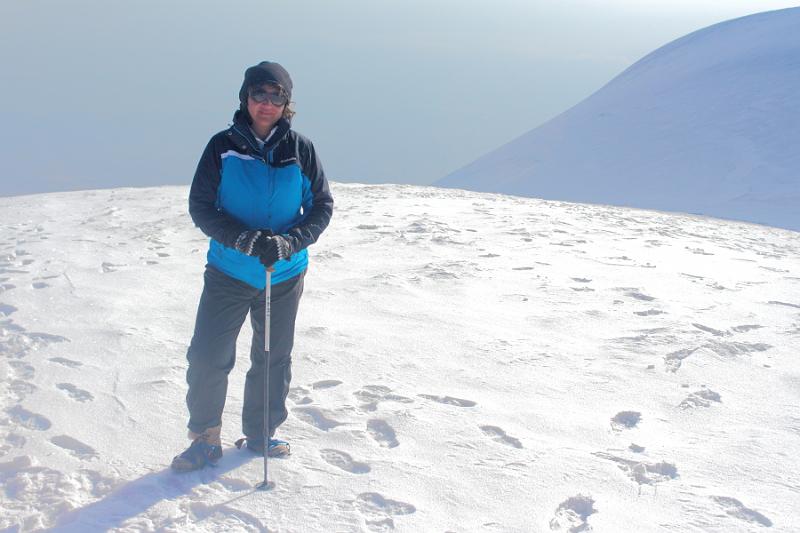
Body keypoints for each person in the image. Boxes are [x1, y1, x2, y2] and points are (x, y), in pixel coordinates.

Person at [171, 61, 334, 471]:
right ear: (245, 97)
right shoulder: (221, 146)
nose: (266, 103)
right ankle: (205, 438)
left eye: (276, 96)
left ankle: (262, 433)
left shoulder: (301, 149)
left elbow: (321, 206)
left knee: (273, 356)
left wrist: (289, 241)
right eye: (259, 94)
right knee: (208, 355)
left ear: (286, 103)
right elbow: (202, 207)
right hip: (229, 271)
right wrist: (242, 239)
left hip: (283, 273)